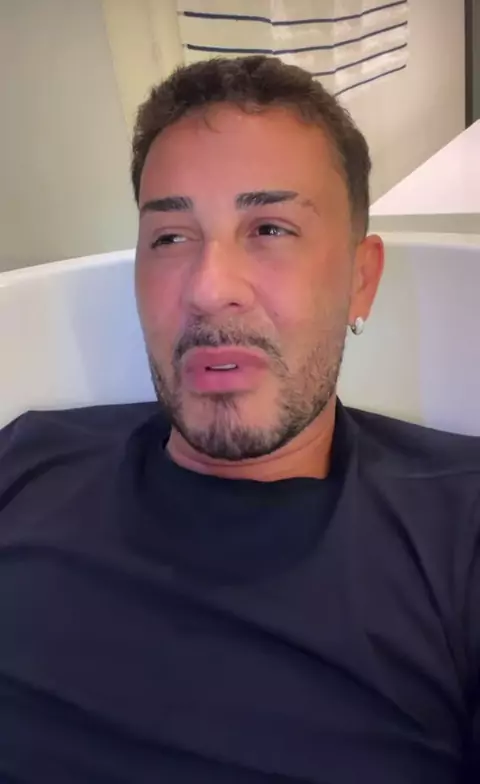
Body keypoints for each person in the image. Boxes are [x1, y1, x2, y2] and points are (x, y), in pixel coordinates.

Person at [0, 55, 479, 784]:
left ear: (361, 279)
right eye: (170, 237)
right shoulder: (26, 462)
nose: (208, 288)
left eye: (270, 229)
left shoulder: (460, 529)